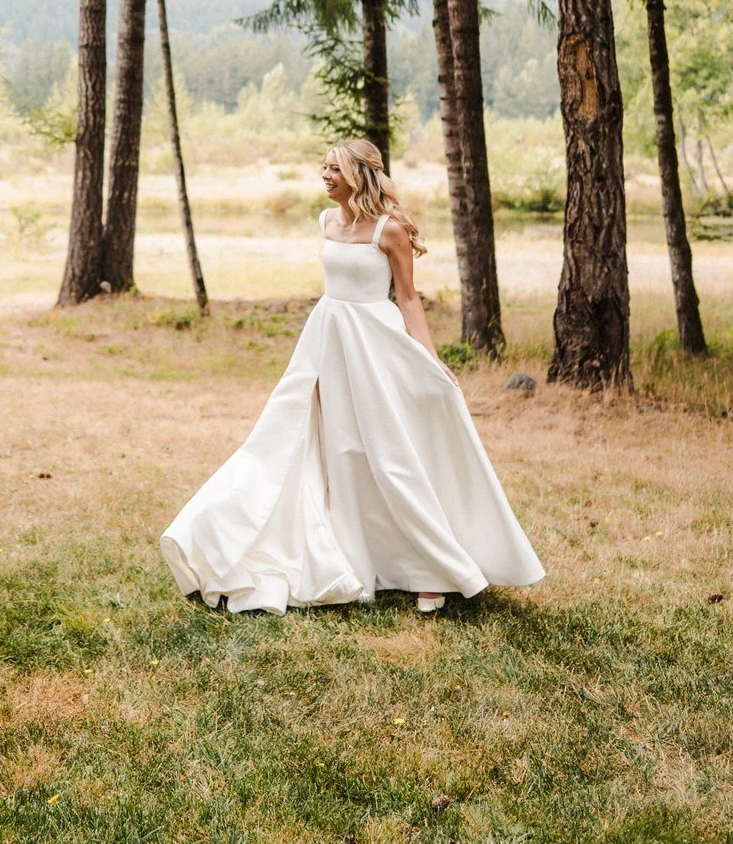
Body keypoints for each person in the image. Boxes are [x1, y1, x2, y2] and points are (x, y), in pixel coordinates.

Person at [161, 138, 544, 614]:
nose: (325, 175)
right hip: (328, 343)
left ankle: (435, 571)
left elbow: (407, 299)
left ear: (359, 174)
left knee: (390, 457)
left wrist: (431, 358)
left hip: (376, 349)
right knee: (335, 452)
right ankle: (352, 555)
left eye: (334, 169)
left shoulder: (391, 230)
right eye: (323, 166)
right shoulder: (326, 222)